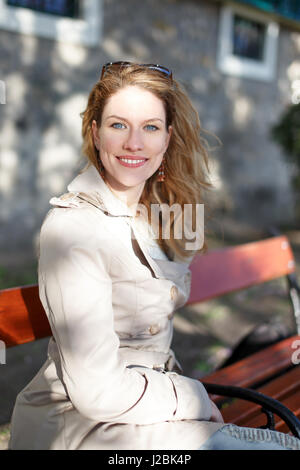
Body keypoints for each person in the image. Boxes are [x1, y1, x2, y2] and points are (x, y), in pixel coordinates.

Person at [9, 62, 300, 450]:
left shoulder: (158, 215)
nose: (134, 143)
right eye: (117, 125)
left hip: (146, 412)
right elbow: (96, 391)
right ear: (95, 134)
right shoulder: (73, 228)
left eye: (150, 127)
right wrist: (190, 397)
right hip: (82, 429)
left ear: (167, 138)